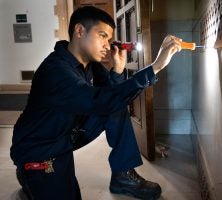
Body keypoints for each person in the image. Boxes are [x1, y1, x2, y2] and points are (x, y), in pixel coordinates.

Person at [10, 6, 181, 200]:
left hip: (67, 135)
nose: (108, 46)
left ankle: (122, 175)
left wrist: (117, 71)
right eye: (102, 36)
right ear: (80, 31)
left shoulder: (89, 65)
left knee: (115, 105)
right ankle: (28, 175)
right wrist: (155, 67)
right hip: (40, 149)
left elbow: (112, 97)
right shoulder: (55, 71)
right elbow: (100, 101)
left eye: (109, 39)